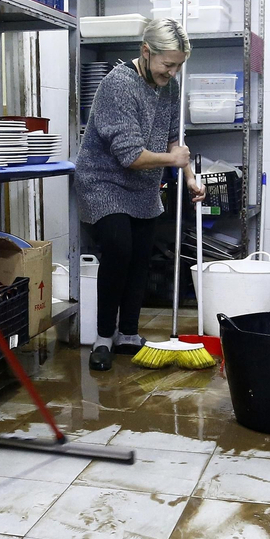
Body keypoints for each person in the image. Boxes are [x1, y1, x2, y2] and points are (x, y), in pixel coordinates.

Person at [75, 19, 205, 372]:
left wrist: (190, 176)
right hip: (104, 182)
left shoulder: (169, 86)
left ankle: (128, 334)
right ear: (146, 52)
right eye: (167, 64)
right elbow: (130, 156)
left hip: (143, 186)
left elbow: (173, 140)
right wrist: (173, 160)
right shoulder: (119, 85)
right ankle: (104, 337)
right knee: (119, 248)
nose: (172, 71)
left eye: (178, 65)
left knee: (141, 256)